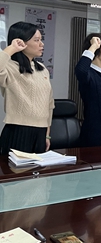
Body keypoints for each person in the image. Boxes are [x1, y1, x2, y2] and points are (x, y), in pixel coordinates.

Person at [0, 21, 54, 154]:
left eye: (41, 39)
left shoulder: (42, 69)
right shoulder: (10, 67)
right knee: (14, 168)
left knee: (38, 168)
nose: (41, 44)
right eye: (36, 40)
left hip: (41, 132)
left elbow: (49, 104)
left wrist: (47, 134)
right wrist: (11, 48)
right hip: (18, 130)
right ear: (21, 42)